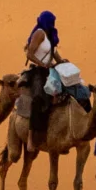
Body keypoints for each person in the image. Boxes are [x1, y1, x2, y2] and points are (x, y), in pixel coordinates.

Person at [23, 10, 63, 138]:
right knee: (38, 98)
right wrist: (43, 64)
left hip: (50, 71)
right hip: (38, 71)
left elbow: (55, 54)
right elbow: (29, 54)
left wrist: (63, 63)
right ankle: (31, 134)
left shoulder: (50, 35)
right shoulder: (39, 33)